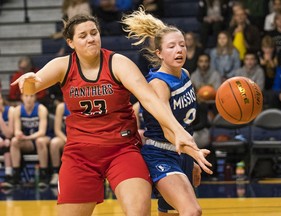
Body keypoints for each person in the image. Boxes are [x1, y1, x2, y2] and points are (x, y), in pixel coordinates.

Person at [11, 14, 212, 216]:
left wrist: (179, 132)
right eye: (83, 36)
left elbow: (150, 100)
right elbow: (31, 88)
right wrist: (28, 81)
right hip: (81, 154)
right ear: (71, 42)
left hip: (122, 150)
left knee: (139, 212)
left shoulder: (118, 63)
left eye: (94, 33)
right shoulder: (63, 65)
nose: (90, 38)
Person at [121, 8, 212, 215]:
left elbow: (184, 126)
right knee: (191, 211)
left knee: (169, 213)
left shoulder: (186, 74)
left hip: (184, 152)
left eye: (182, 45)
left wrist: (192, 157)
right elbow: (170, 129)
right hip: (161, 153)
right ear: (159, 53)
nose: (179, 50)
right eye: (171, 47)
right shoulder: (159, 85)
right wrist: (195, 153)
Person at [9, 93, 51, 188]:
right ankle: (16, 174)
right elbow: (16, 130)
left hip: (44, 139)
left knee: (39, 141)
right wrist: (19, 134)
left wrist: (27, 137)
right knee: (14, 141)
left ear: (35, 98)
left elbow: (42, 132)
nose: (29, 99)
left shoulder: (41, 109)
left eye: (31, 96)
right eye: (26, 96)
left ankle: (43, 174)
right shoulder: (18, 110)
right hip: (29, 141)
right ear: (22, 97)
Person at [49, 102, 70, 186]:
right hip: (66, 138)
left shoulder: (82, 104)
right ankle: (55, 173)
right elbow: (57, 130)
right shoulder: (61, 107)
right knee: (54, 143)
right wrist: (67, 140)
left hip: (80, 137)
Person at [0, 93, 14, 188]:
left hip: (10, 139)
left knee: (9, 145)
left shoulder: (11, 111)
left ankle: (8, 176)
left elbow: (9, 133)